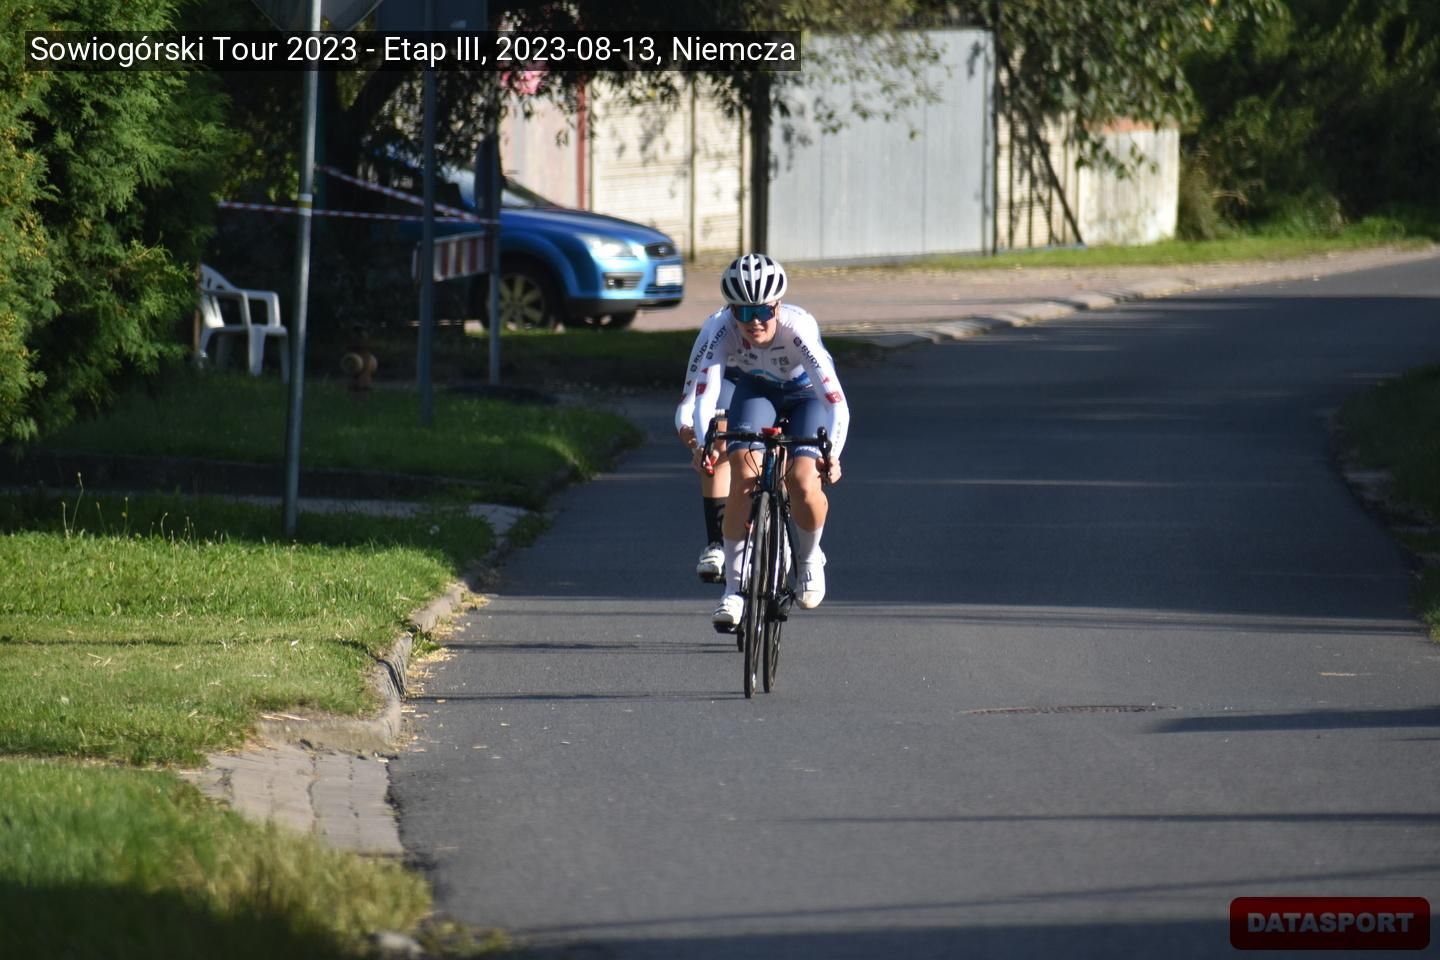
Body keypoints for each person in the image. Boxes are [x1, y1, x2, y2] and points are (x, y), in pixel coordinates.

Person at [686, 253, 849, 630]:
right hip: (757, 391)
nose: (754, 321)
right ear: (732, 311)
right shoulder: (723, 329)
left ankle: (809, 558)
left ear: (777, 305)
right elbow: (705, 394)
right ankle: (733, 589)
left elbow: (835, 402)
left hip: (806, 396)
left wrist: (833, 454)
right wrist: (703, 442)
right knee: (744, 475)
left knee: (803, 480)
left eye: (762, 311)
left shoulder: (797, 328)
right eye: (743, 312)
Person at [674, 317, 741, 583]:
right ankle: (717, 542)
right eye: (742, 314)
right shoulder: (716, 327)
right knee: (717, 437)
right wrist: (698, 444)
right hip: (729, 382)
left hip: (779, 382)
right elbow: (688, 403)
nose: (752, 322)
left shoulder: (788, 326)